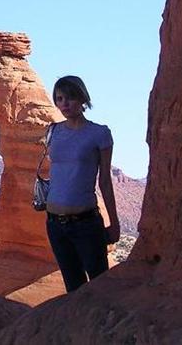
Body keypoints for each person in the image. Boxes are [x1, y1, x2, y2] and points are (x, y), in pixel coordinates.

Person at [45, 75, 120, 292]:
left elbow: (105, 180)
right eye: (59, 99)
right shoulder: (53, 131)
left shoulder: (99, 134)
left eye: (70, 98)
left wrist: (114, 223)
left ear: (83, 99)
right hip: (54, 223)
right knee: (73, 288)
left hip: (85, 223)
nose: (64, 104)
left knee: (99, 287)